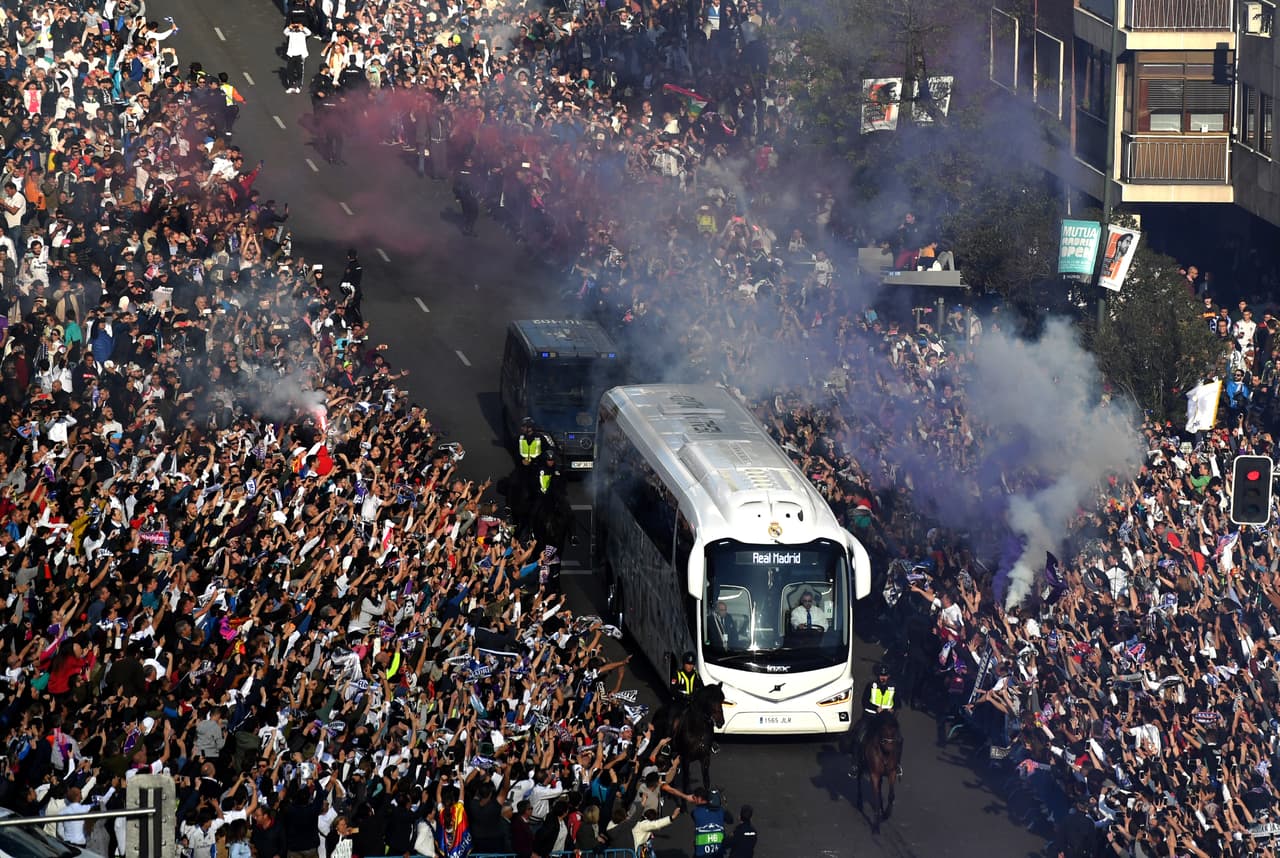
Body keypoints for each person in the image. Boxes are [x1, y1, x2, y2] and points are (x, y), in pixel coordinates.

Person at [849, 663, 898, 775]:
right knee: (859, 737)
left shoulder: (893, 687)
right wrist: (876, 708)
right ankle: (855, 764)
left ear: (889, 676)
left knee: (898, 739)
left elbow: (898, 703)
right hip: (870, 716)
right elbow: (864, 702)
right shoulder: (871, 685)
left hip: (886, 718)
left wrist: (893, 709)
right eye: (881, 675)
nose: (883, 677)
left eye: (885, 675)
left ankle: (897, 764)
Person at [690, 788, 732, 857]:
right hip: (718, 852)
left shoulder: (695, 812)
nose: (694, 800)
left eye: (694, 798)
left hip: (702, 853)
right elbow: (730, 820)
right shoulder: (721, 811)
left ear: (700, 799)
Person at [283, 21, 314, 94]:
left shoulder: (303, 33)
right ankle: (290, 86)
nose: (296, 28)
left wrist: (302, 27)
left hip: (300, 55)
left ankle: (298, 86)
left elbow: (309, 33)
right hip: (291, 54)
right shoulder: (291, 33)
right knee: (290, 71)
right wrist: (289, 26)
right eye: (295, 26)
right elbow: (285, 32)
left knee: (300, 72)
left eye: (297, 26)